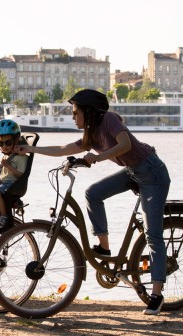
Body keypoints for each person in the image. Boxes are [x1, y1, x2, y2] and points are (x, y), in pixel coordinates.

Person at [14, 89, 171, 315]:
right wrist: (31, 149)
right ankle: (105, 248)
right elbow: (63, 149)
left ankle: (156, 295)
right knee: (93, 193)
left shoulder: (108, 120)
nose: (73, 116)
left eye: (75, 112)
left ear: (88, 112)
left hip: (152, 173)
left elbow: (125, 144)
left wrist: (98, 157)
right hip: (133, 171)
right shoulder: (91, 134)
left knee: (152, 234)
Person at [0, 119, 29, 231]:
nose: (4, 146)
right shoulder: (6, 156)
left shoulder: (21, 157)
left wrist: (8, 166)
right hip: (5, 183)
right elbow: (5, 174)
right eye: (1, 143)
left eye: (8, 143)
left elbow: (21, 176)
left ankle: (4, 217)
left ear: (16, 140)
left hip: (14, 184)